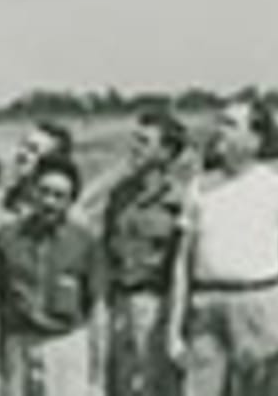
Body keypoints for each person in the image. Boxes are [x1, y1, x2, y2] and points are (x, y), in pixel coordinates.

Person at [169, 96, 278, 396]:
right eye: (220, 122)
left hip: (260, 306)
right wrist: (174, 330)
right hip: (206, 308)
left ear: (255, 139)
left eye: (231, 124)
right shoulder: (199, 187)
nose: (220, 130)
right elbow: (182, 262)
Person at [0, 156, 107, 396]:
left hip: (66, 346)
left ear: (71, 201)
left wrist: (97, 377)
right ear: (32, 191)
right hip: (19, 344)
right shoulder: (6, 238)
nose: (49, 202)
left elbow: (98, 310)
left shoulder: (84, 242)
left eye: (59, 196)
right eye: (44, 192)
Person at [99, 108, 189, 396]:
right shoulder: (120, 194)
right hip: (119, 303)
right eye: (134, 140)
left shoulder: (181, 199)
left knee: (154, 385)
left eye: (144, 142)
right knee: (122, 384)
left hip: (157, 304)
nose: (133, 148)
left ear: (166, 152)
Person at [2, 120, 76, 217]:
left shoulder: (58, 214)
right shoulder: (4, 197)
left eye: (33, 150)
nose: (21, 153)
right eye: (22, 145)